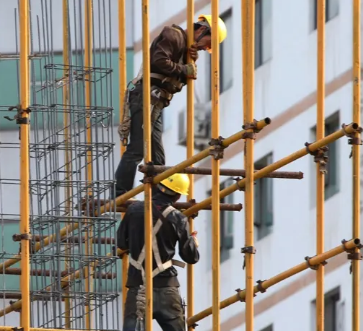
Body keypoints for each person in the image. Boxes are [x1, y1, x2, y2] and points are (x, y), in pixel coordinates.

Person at [113, 15, 228, 198]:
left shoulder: (185, 49)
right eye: (208, 43)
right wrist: (185, 69)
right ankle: (120, 192)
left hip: (156, 102)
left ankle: (160, 195)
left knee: (157, 154)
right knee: (137, 149)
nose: (205, 48)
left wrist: (189, 64)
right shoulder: (173, 35)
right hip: (146, 97)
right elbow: (160, 61)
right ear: (201, 30)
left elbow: (175, 79)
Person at [117, 173, 200, 331]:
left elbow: (121, 242)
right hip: (167, 288)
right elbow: (191, 257)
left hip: (138, 287)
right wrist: (193, 243)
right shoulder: (178, 218)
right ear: (177, 195)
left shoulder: (133, 210)